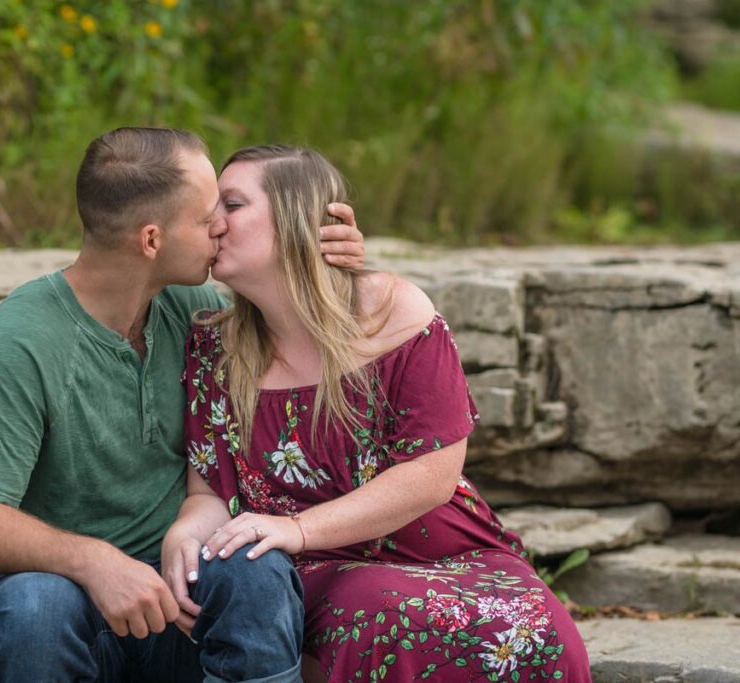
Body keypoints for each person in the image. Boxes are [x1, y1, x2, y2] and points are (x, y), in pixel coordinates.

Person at [0, 128, 366, 682]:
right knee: (35, 607)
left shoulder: (194, 308)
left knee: (252, 569)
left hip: (181, 600)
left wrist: (333, 263)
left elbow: (306, 323)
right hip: (71, 606)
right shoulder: (22, 341)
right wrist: (95, 563)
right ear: (150, 241)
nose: (220, 226)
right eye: (205, 216)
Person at [170, 145, 591, 682]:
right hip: (304, 569)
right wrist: (183, 534)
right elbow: (207, 491)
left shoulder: (394, 312)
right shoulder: (214, 347)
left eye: (232, 204)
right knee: (377, 609)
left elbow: (431, 476)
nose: (214, 223)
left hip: (443, 551)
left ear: (297, 217)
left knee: (540, 625)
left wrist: (297, 526)